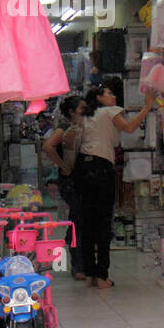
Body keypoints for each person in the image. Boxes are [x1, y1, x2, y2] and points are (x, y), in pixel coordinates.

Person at [74, 77, 151, 288]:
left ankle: (90, 273)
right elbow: (130, 127)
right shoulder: (110, 112)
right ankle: (102, 276)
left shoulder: (87, 116)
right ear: (99, 98)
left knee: (87, 222)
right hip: (101, 168)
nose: (114, 96)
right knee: (103, 222)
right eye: (109, 93)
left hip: (83, 167)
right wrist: (146, 107)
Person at [41, 94, 88, 279]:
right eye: (82, 108)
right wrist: (63, 166)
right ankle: (78, 265)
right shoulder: (65, 127)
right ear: (71, 111)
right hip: (70, 181)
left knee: (79, 219)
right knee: (79, 221)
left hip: (79, 180)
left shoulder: (80, 125)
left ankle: (75, 249)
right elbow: (47, 146)